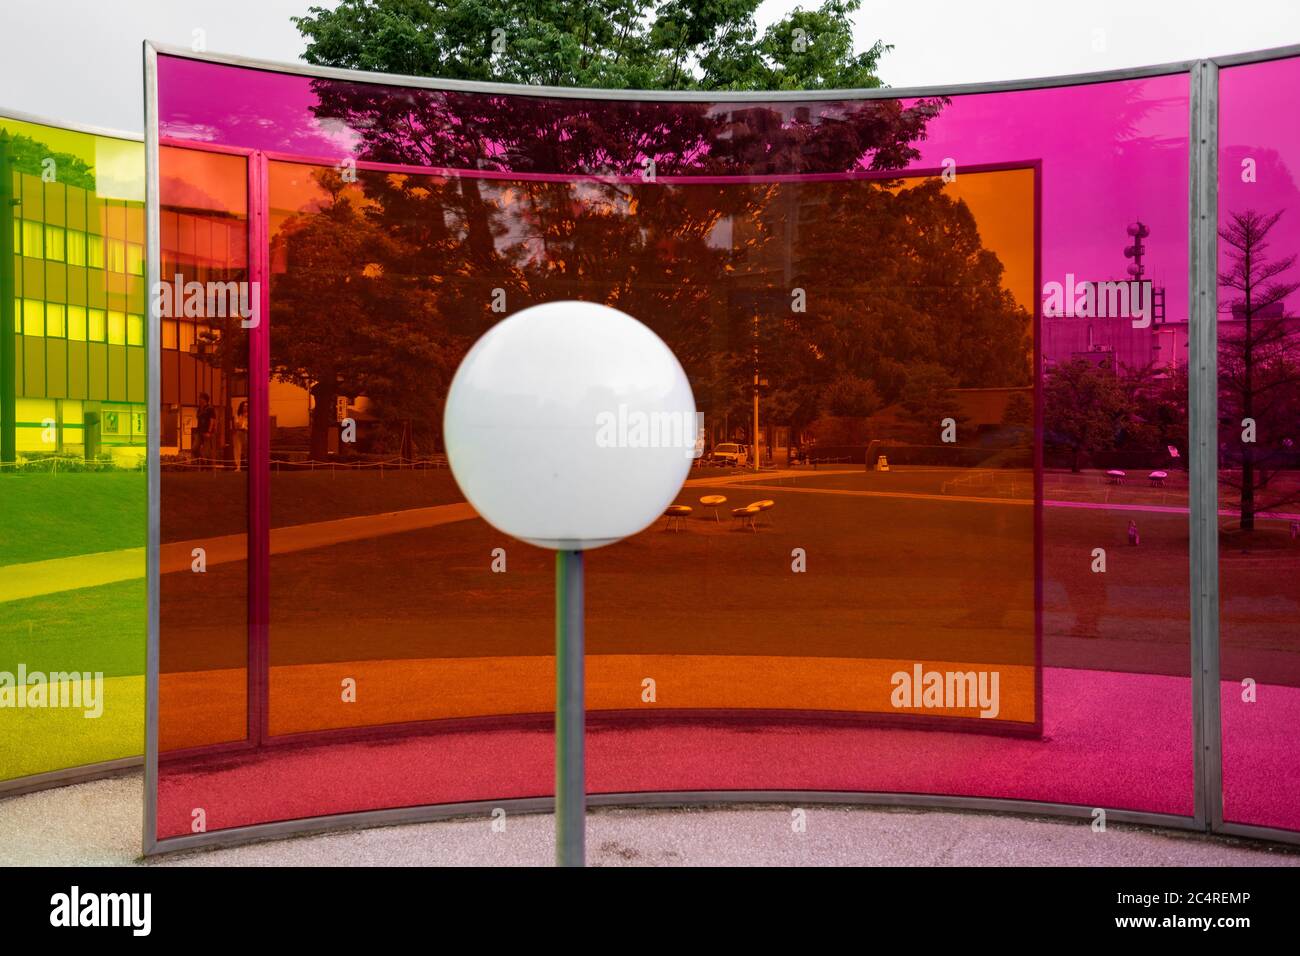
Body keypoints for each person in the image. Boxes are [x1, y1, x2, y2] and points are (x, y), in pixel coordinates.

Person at [193, 392, 216, 469]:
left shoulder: (210, 408)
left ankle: (209, 467)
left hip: (207, 432)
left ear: (204, 399)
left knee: (207, 451)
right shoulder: (199, 409)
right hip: (199, 432)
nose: (199, 399)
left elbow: (212, 420)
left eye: (200, 398)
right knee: (194, 448)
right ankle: (202, 461)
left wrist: (209, 431)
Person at [232, 400, 248, 472]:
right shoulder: (237, 415)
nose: (245, 407)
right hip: (238, 432)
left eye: (247, 406)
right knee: (237, 450)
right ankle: (238, 466)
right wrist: (242, 417)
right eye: (244, 406)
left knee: (246, 449)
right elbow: (236, 425)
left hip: (247, 433)